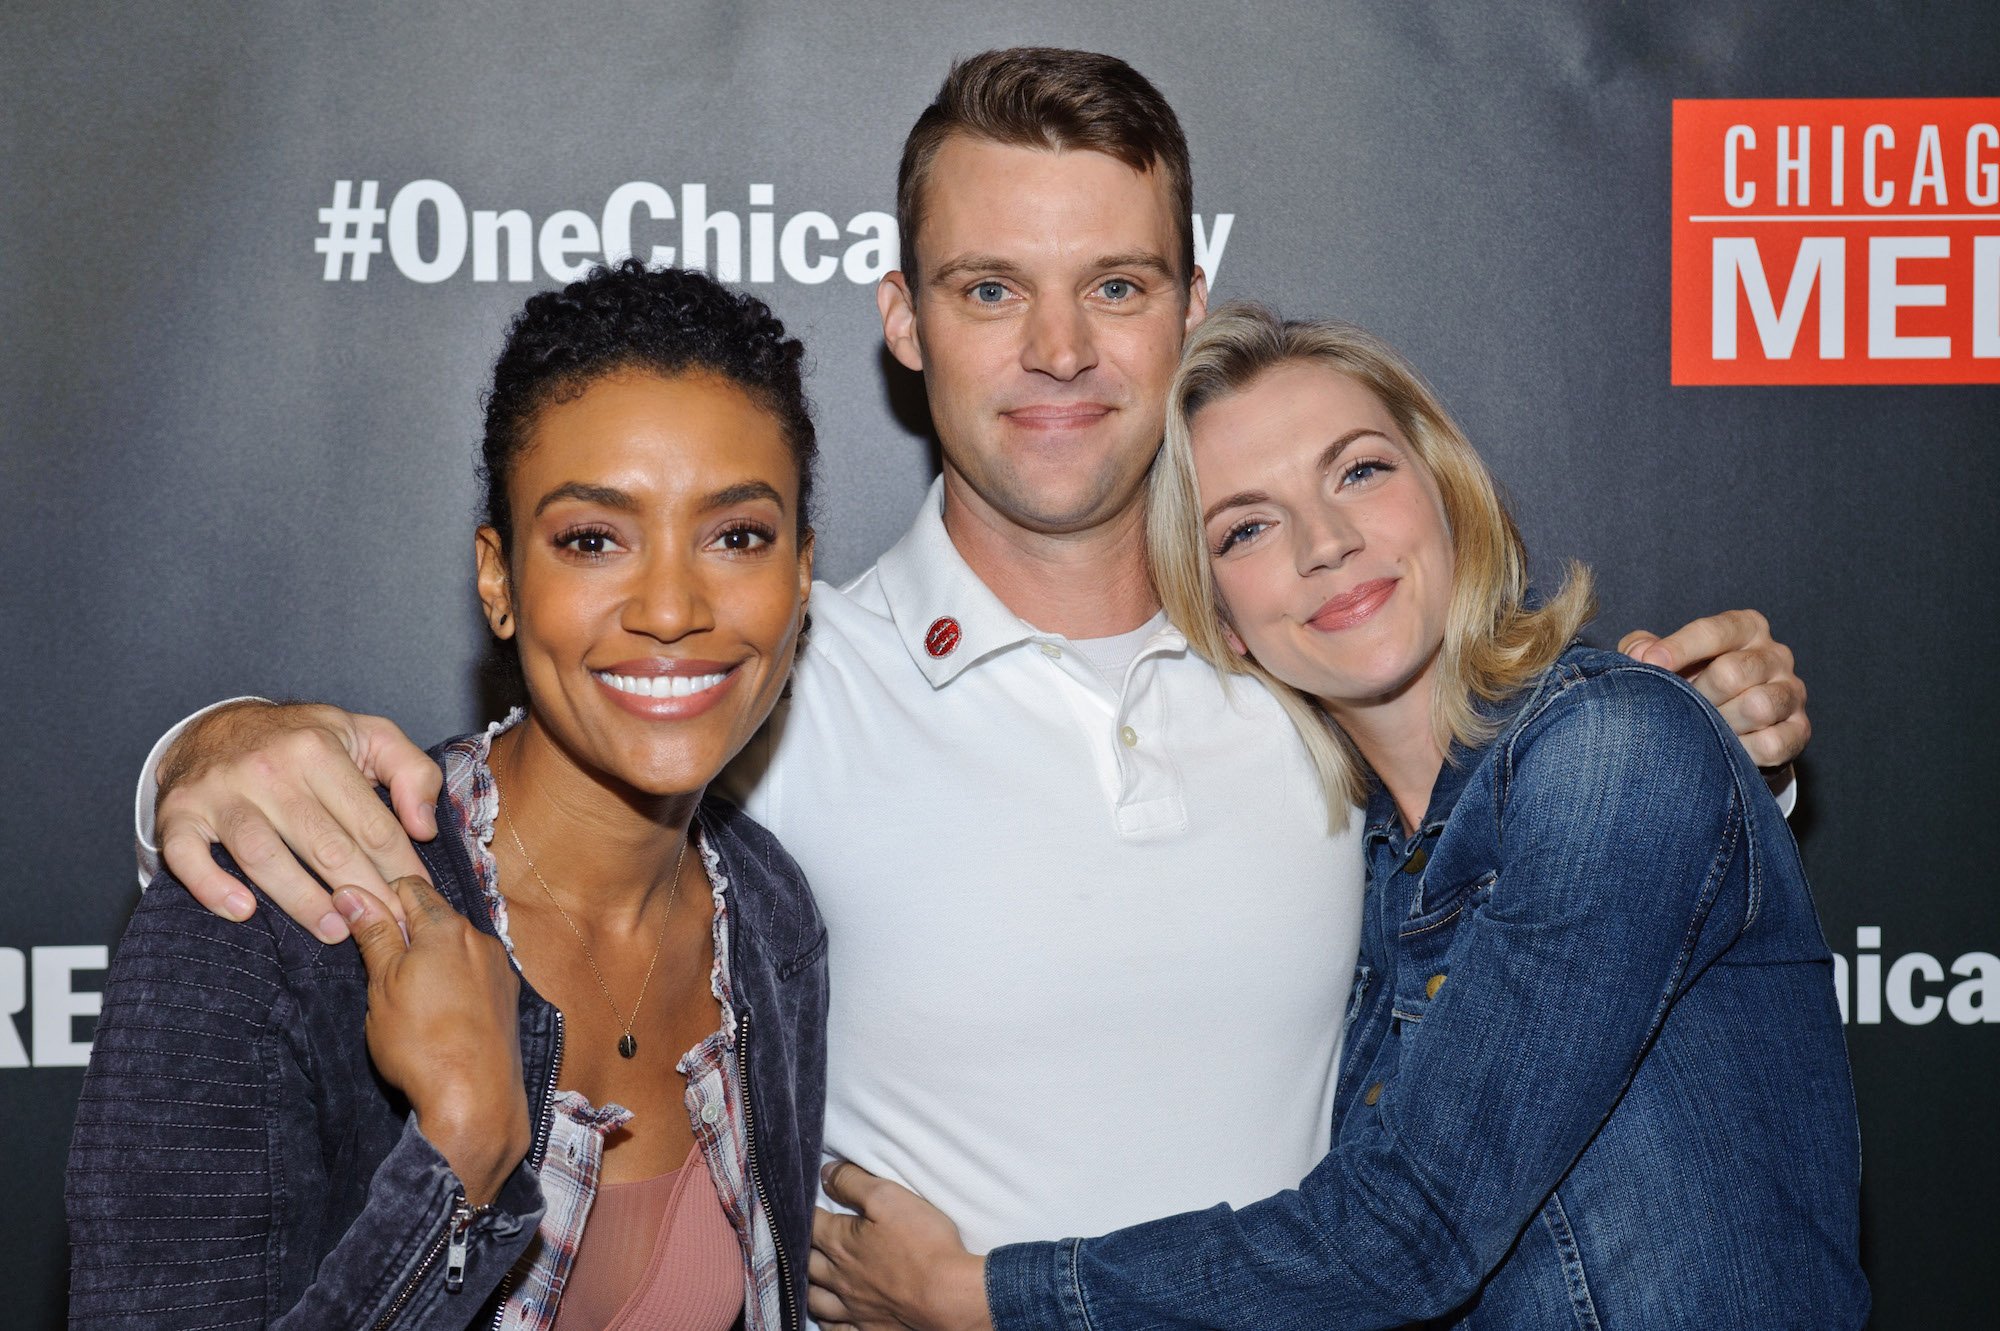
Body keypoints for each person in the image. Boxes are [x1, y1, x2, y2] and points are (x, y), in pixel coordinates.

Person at [125, 50, 1810, 1260]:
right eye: (993, 289)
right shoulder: (777, 690)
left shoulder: (1307, 664)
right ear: (904, 320)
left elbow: (1537, 837)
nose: (1061, 351)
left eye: (1118, 285)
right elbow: (520, 794)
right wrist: (209, 753)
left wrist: (1716, 749)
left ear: (1188, 301)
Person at [805, 306, 1867, 1329]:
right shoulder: (1360, 868)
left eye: (1357, 469)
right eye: (1248, 525)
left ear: (1442, 488)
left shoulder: (1606, 747)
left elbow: (1412, 1234)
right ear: (1216, 613)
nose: (1325, 540)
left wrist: (978, 1294)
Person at [69, 262, 829, 1330]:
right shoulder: (275, 922)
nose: (670, 605)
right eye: (592, 538)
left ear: (801, 575)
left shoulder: (768, 914)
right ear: (499, 580)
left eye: (737, 534)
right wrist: (460, 1154)